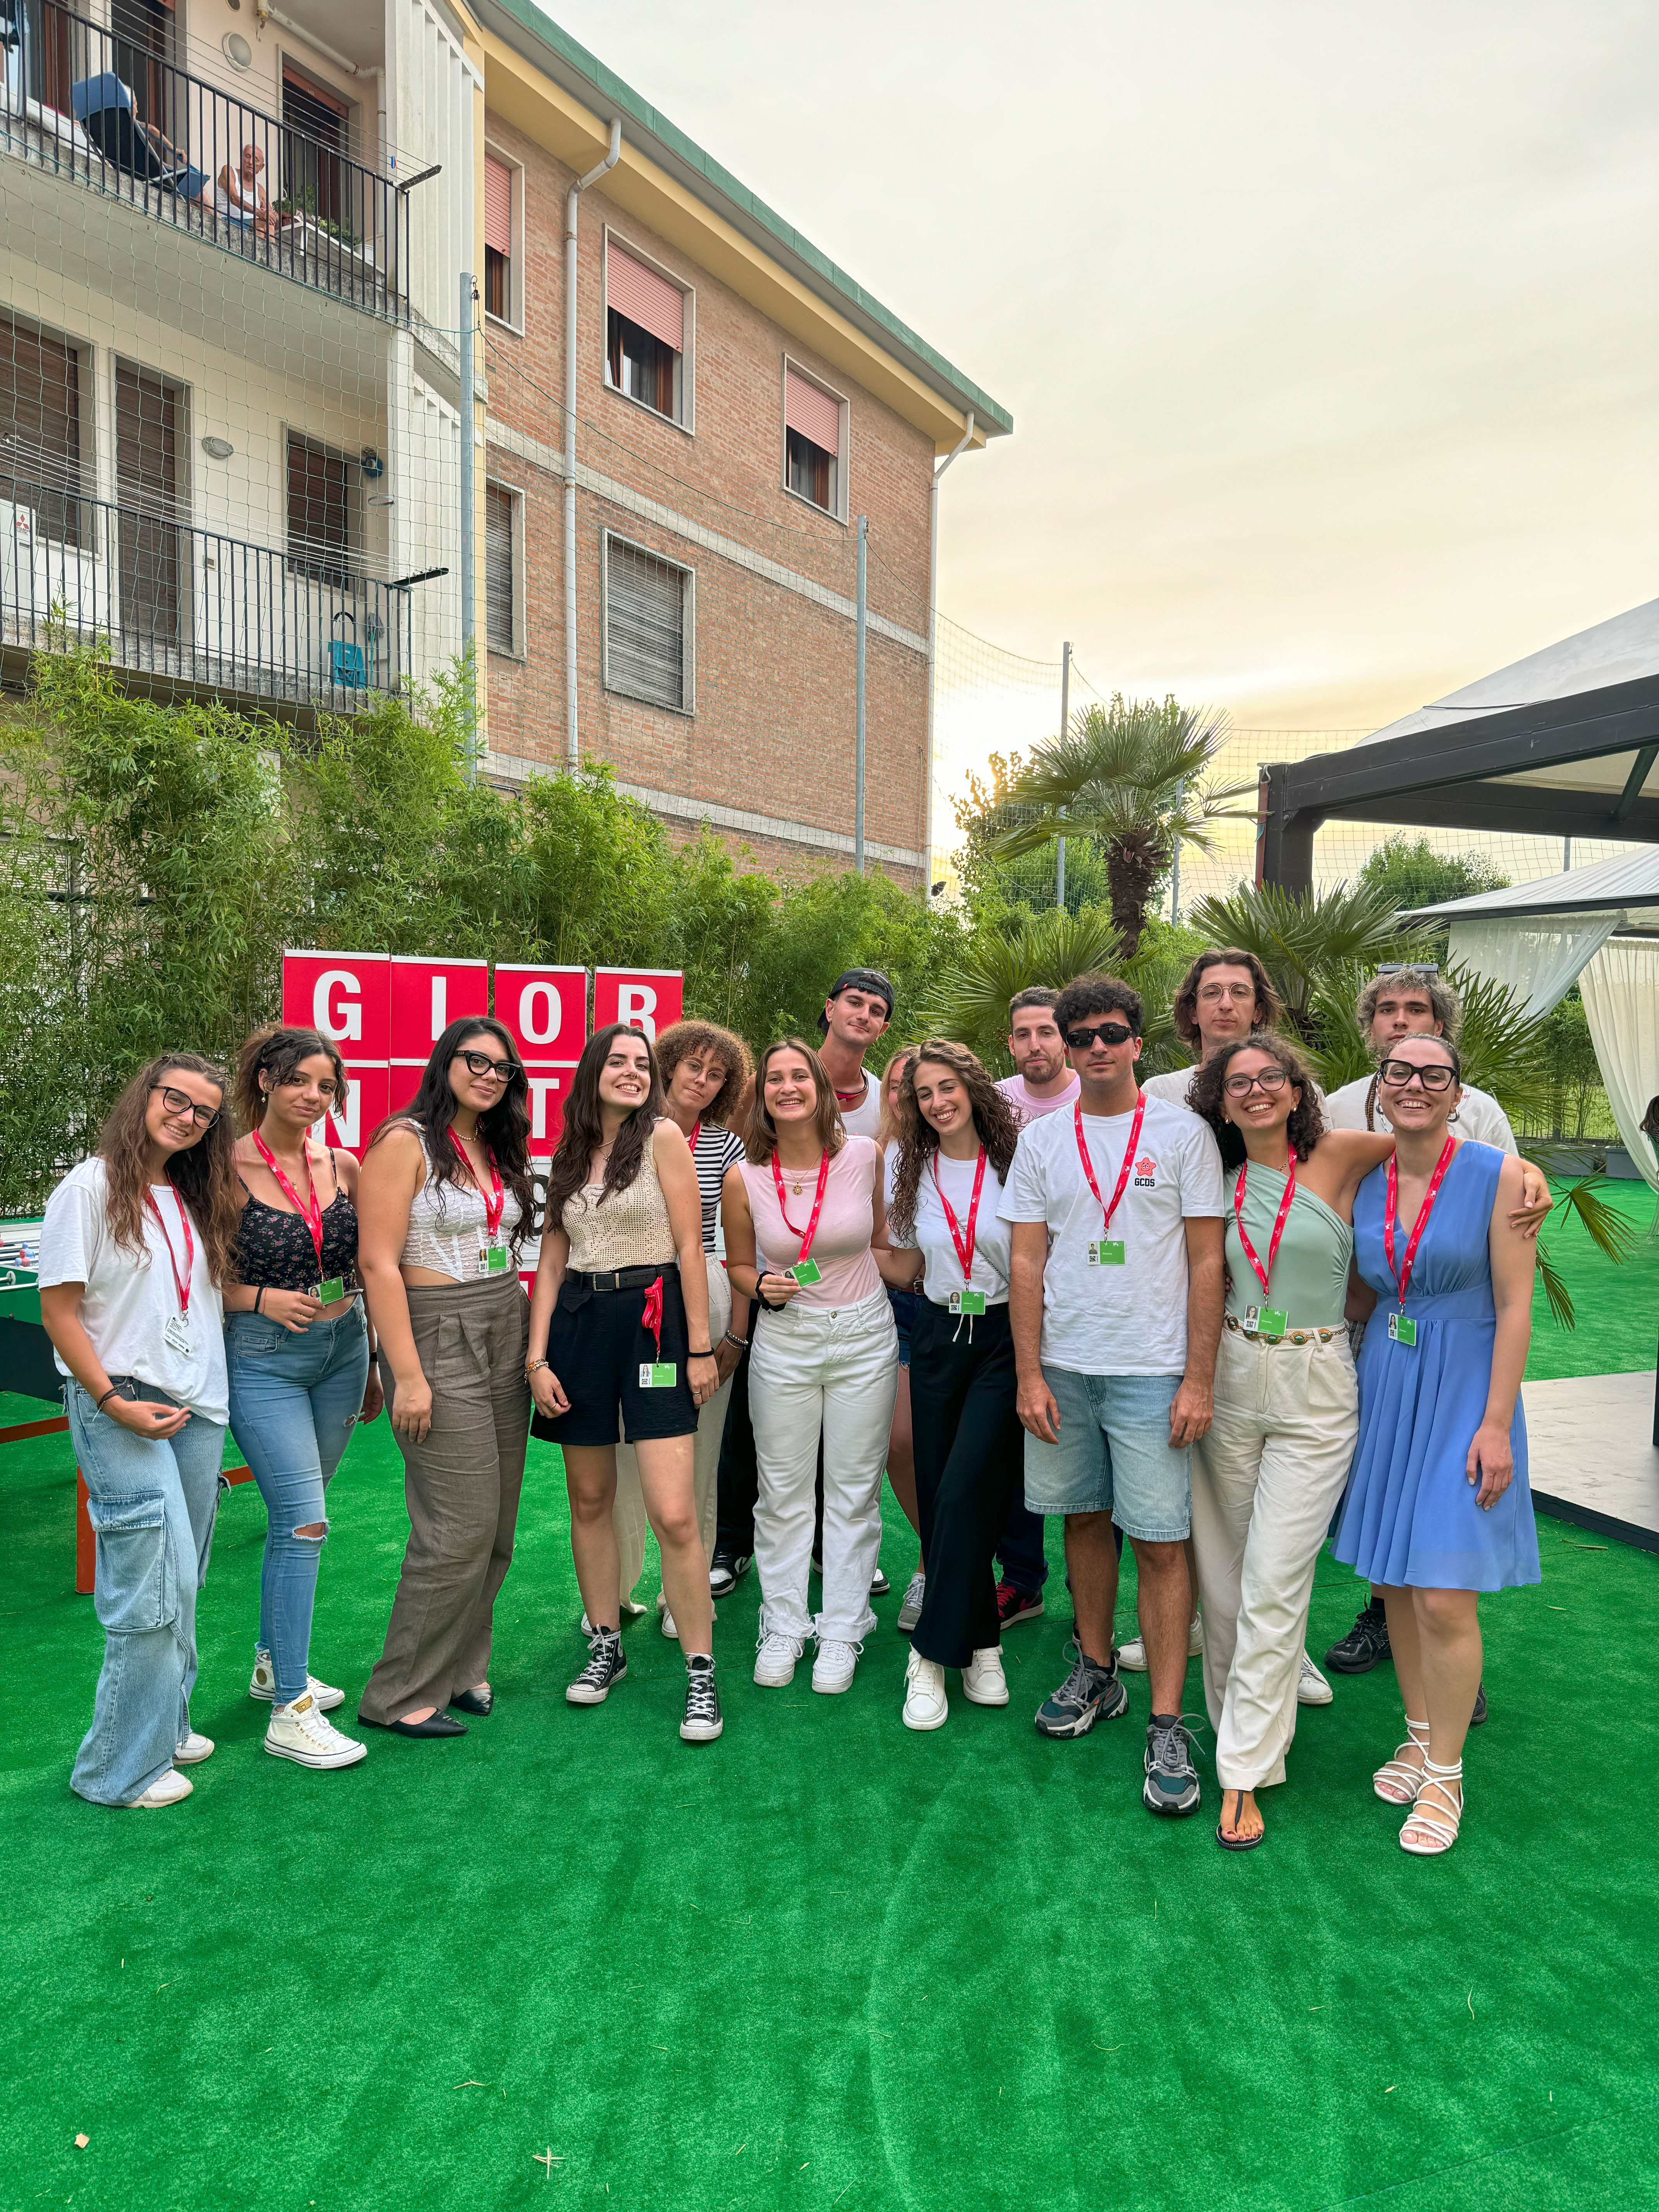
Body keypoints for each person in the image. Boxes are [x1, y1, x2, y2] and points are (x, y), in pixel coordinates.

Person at [1002, 974, 1226, 1816]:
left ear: (1138, 1041)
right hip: (1064, 1369)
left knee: (1163, 1544)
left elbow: (1207, 1261)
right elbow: (1027, 1260)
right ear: (1065, 1046)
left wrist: (1197, 1378)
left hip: (1153, 1371)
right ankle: (1097, 1671)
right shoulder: (1042, 1140)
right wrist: (1030, 1373)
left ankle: (1168, 1719)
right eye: (1081, 1036)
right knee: (1083, 1523)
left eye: (1111, 1033)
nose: (1096, 1047)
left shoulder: (1183, 1134)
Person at [1185, 1035, 1396, 1847]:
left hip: (1318, 1379)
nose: (1257, 1090)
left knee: (1275, 1578)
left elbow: (1434, 1147)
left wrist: (1521, 1174)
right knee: (1224, 1576)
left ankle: (1243, 1768)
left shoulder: (1340, 1154)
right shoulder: (1216, 1176)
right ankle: (1236, 1724)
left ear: (1297, 1089)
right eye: (1239, 1083)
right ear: (1221, 1102)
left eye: (1271, 1077)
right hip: (1233, 1370)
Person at [1333, 1034, 1538, 1855]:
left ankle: (1446, 1775)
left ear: (1459, 1094)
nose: (1414, 1085)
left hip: (1467, 1387)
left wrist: (1496, 1423)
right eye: (1399, 1072)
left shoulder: (1501, 1176)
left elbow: (1516, 1306)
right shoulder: (1367, 1177)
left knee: (1446, 1594)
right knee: (1395, 1580)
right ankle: (1419, 1736)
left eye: (1434, 1074)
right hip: (1389, 1374)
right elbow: (1359, 1291)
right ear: (1379, 1088)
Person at [40, 1054, 241, 1809]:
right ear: (145, 1097)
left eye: (204, 1112)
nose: (187, 1118)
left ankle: (165, 1726)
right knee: (151, 1585)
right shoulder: (89, 1187)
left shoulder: (194, 1193)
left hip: (198, 1405)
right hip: (122, 1401)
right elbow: (58, 1309)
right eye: (176, 1099)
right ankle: (116, 1770)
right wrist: (109, 1398)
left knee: (183, 1579)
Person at [1324, 963, 1520, 1692]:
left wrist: (1526, 1181)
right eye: (1388, 1011)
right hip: (1382, 1350)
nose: (1402, 1021)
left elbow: (1514, 1212)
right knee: (1395, 1539)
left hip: (1459, 1354)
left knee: (1444, 1566)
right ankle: (1406, 1669)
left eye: (1417, 1010)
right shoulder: (1345, 1121)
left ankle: (1451, 1672)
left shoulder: (1485, 1128)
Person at [527, 1024, 723, 1744]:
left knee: (674, 1513)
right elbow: (552, 1262)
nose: (634, 1073)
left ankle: (701, 1672)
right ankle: (606, 1645)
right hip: (579, 1327)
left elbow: (689, 1246)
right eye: (619, 1062)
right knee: (590, 1500)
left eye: (643, 1064)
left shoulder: (665, 1138)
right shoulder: (568, 1152)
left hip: (653, 1325)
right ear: (594, 1071)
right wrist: (536, 1359)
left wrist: (698, 1348)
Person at [355, 1018, 534, 1739]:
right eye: (476, 1061)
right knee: (457, 1526)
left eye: (503, 1068)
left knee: (497, 1525)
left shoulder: (495, 1143)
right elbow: (378, 1264)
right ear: (446, 1062)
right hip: (435, 1330)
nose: (490, 1076)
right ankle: (398, 1692)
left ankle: (461, 1666)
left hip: (504, 1318)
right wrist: (407, 1374)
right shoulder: (404, 1141)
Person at [709, 965, 897, 1600]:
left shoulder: (875, 1116)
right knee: (758, 1441)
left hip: (855, 1311)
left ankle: (833, 1565)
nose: (863, 1014)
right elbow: (744, 1190)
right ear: (830, 1007)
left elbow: (876, 1226)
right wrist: (752, 1300)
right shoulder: (763, 1108)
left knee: (847, 1462)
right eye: (854, 1002)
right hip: (777, 1297)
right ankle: (733, 1545)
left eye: (876, 1009)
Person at [223, 1026, 379, 1772]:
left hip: (343, 1352)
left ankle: (270, 1663)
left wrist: (372, 1359)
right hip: (265, 1360)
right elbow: (190, 1276)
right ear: (264, 1080)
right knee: (305, 1522)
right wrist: (258, 1297)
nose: (314, 1096)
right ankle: (290, 1709)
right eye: (298, 1081)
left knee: (298, 1522)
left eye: (326, 1086)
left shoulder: (343, 1164)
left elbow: (365, 1267)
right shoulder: (222, 1169)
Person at [880, 1042, 1025, 1728]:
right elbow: (904, 1261)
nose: (937, 1103)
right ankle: (983, 1643)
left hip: (1003, 1338)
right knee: (941, 1495)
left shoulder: (1017, 1162)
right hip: (939, 1333)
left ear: (973, 1088)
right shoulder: (910, 1169)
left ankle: (930, 1658)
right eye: (924, 1094)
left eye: (947, 1088)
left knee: (968, 1488)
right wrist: (832, 1256)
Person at [618, 1020, 752, 1641]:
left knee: (700, 1449)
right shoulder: (620, 1127)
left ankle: (684, 1594)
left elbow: (739, 1243)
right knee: (623, 1451)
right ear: (668, 1066)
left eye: (717, 1073)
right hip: (628, 1296)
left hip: (706, 1296)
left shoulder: (727, 1145)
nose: (702, 1080)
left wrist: (733, 1335)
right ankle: (615, 1587)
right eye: (693, 1066)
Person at [988, 988, 1078, 1628]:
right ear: (1010, 1042)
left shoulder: (1096, 1097)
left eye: (1046, 1032)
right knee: (1016, 1447)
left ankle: (1090, 1593)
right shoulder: (992, 1102)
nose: (1035, 1045)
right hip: (1007, 1294)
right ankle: (1022, 1580)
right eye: (1023, 1034)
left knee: (1087, 1450)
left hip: (1082, 1299)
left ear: (1065, 1037)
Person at [878, 1047, 925, 1628]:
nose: (906, 1096)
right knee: (899, 1445)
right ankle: (935, 1550)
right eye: (896, 1086)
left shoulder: (967, 1150)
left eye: (917, 1086)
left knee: (950, 1449)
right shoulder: (876, 1152)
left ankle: (930, 1568)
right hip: (894, 1307)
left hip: (958, 1311)